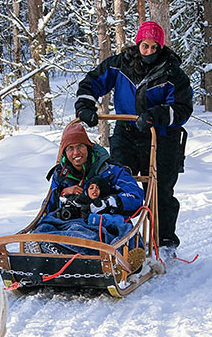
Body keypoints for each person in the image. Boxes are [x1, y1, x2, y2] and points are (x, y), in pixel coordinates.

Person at [74, 19, 193, 248]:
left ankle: (164, 242)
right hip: (126, 133)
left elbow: (182, 108)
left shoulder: (172, 72)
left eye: (153, 47)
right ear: (138, 44)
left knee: (159, 191)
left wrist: (155, 115)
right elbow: (92, 83)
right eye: (144, 45)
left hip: (161, 137)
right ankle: (115, 238)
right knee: (114, 185)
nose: (148, 51)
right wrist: (86, 107)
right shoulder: (120, 64)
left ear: (160, 48)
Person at [34, 121, 144, 246]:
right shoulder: (60, 174)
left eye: (80, 146)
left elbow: (135, 197)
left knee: (89, 234)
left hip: (102, 224)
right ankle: (44, 248)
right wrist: (63, 194)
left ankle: (55, 248)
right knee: (45, 226)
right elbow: (48, 208)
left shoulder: (110, 170)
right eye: (70, 148)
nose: (76, 153)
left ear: (88, 147)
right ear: (65, 152)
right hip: (69, 223)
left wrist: (107, 203)